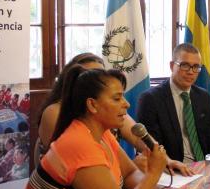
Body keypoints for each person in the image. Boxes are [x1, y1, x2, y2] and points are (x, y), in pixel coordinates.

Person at [6, 66, 168, 189]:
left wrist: (151, 188)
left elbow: (129, 174)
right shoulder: (79, 143)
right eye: (117, 98)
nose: (126, 104)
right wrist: (152, 175)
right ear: (92, 105)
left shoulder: (101, 134)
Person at [38, 52, 191, 175]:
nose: (125, 103)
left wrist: (164, 160)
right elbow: (74, 168)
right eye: (90, 77)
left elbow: (139, 137)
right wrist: (136, 170)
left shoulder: (106, 117)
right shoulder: (54, 112)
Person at [137, 43, 210, 163]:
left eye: (196, 67)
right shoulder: (151, 99)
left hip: (205, 165)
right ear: (172, 66)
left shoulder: (204, 97)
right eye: (185, 65)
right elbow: (153, 147)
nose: (191, 72)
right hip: (173, 168)